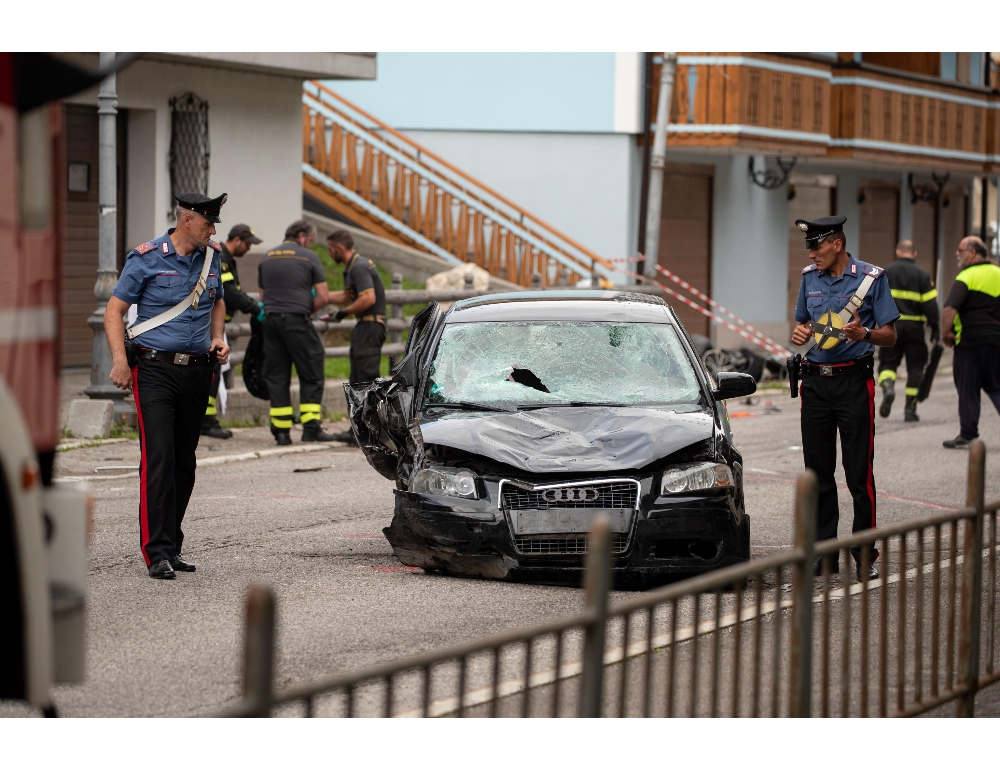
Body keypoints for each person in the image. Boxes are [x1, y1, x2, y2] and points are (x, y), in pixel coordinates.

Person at [103, 192, 231, 580]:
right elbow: (114, 311)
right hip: (155, 370)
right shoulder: (146, 257)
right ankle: (155, 551)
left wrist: (218, 337)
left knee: (184, 463)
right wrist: (120, 363)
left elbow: (218, 300)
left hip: (198, 371)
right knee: (159, 459)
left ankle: (172, 546)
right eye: (208, 223)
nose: (212, 229)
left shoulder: (213, 257)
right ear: (187, 220)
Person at [790, 216, 898, 579]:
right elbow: (803, 323)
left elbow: (890, 336)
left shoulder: (871, 278)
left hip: (854, 384)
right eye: (809, 247)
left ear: (837, 244)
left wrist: (865, 332)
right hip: (816, 386)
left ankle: (864, 552)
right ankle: (825, 553)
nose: (811, 252)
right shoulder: (809, 279)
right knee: (818, 473)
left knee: (858, 475)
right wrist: (801, 334)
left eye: (817, 245)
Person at [258, 220, 338, 444]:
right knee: (312, 370)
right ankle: (311, 428)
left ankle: (281, 432)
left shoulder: (266, 257)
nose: (310, 246)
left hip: (271, 322)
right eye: (311, 241)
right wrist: (304, 310)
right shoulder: (308, 257)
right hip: (297, 320)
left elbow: (263, 298)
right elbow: (322, 296)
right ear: (302, 236)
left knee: (277, 375)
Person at [201, 223, 264, 439]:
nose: (248, 249)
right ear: (237, 240)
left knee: (212, 372)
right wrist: (254, 307)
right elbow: (228, 292)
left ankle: (204, 419)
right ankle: (206, 421)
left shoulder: (226, 258)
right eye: (247, 244)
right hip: (209, 325)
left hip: (213, 325)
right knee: (212, 373)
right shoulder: (222, 258)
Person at [941, 236, 1000, 449]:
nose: (957, 253)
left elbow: (949, 309)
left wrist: (946, 333)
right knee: (996, 387)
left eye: (960, 250)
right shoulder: (998, 273)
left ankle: (968, 434)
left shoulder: (967, 275)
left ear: (972, 253)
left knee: (968, 388)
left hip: (969, 341)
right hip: (995, 341)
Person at [877, 239, 940, 422]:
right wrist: (935, 329)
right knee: (915, 368)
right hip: (915, 329)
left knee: (888, 364)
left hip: (890, 327)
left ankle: (888, 388)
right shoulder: (923, 275)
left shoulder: (885, 273)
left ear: (897, 251)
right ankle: (910, 409)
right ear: (914, 254)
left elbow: (875, 300)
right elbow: (931, 306)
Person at [325, 229, 387, 386]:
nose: (329, 254)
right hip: (365, 326)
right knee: (357, 377)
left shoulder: (359, 267)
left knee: (366, 378)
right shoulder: (353, 266)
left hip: (370, 327)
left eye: (330, 250)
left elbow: (368, 298)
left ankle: (372, 410)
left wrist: (343, 313)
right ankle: (361, 409)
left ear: (339, 249)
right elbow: (346, 297)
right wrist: (320, 295)